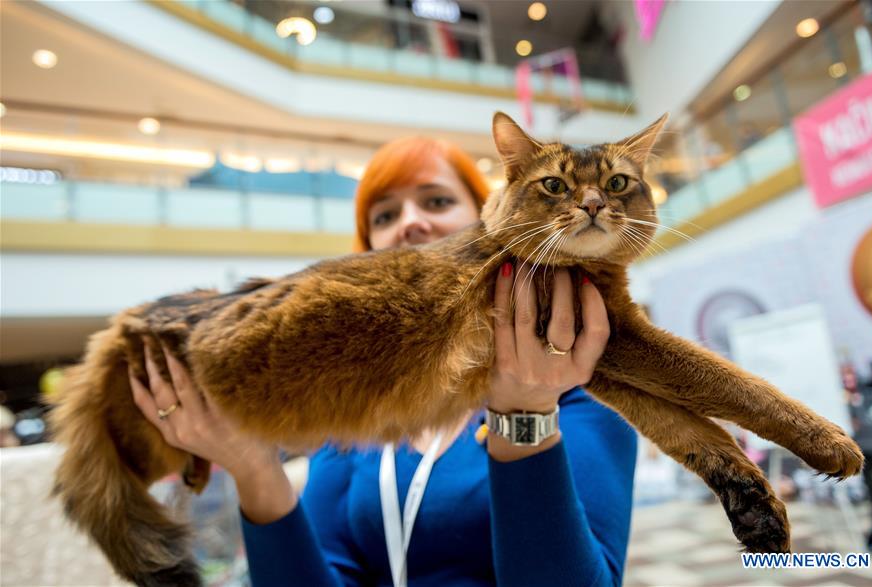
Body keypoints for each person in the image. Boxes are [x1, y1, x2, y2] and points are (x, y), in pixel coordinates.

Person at [129, 136, 638, 586]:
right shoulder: (357, 413)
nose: (410, 223)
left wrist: (525, 413)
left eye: (436, 200)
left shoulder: (582, 390)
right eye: (384, 215)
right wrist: (252, 467)